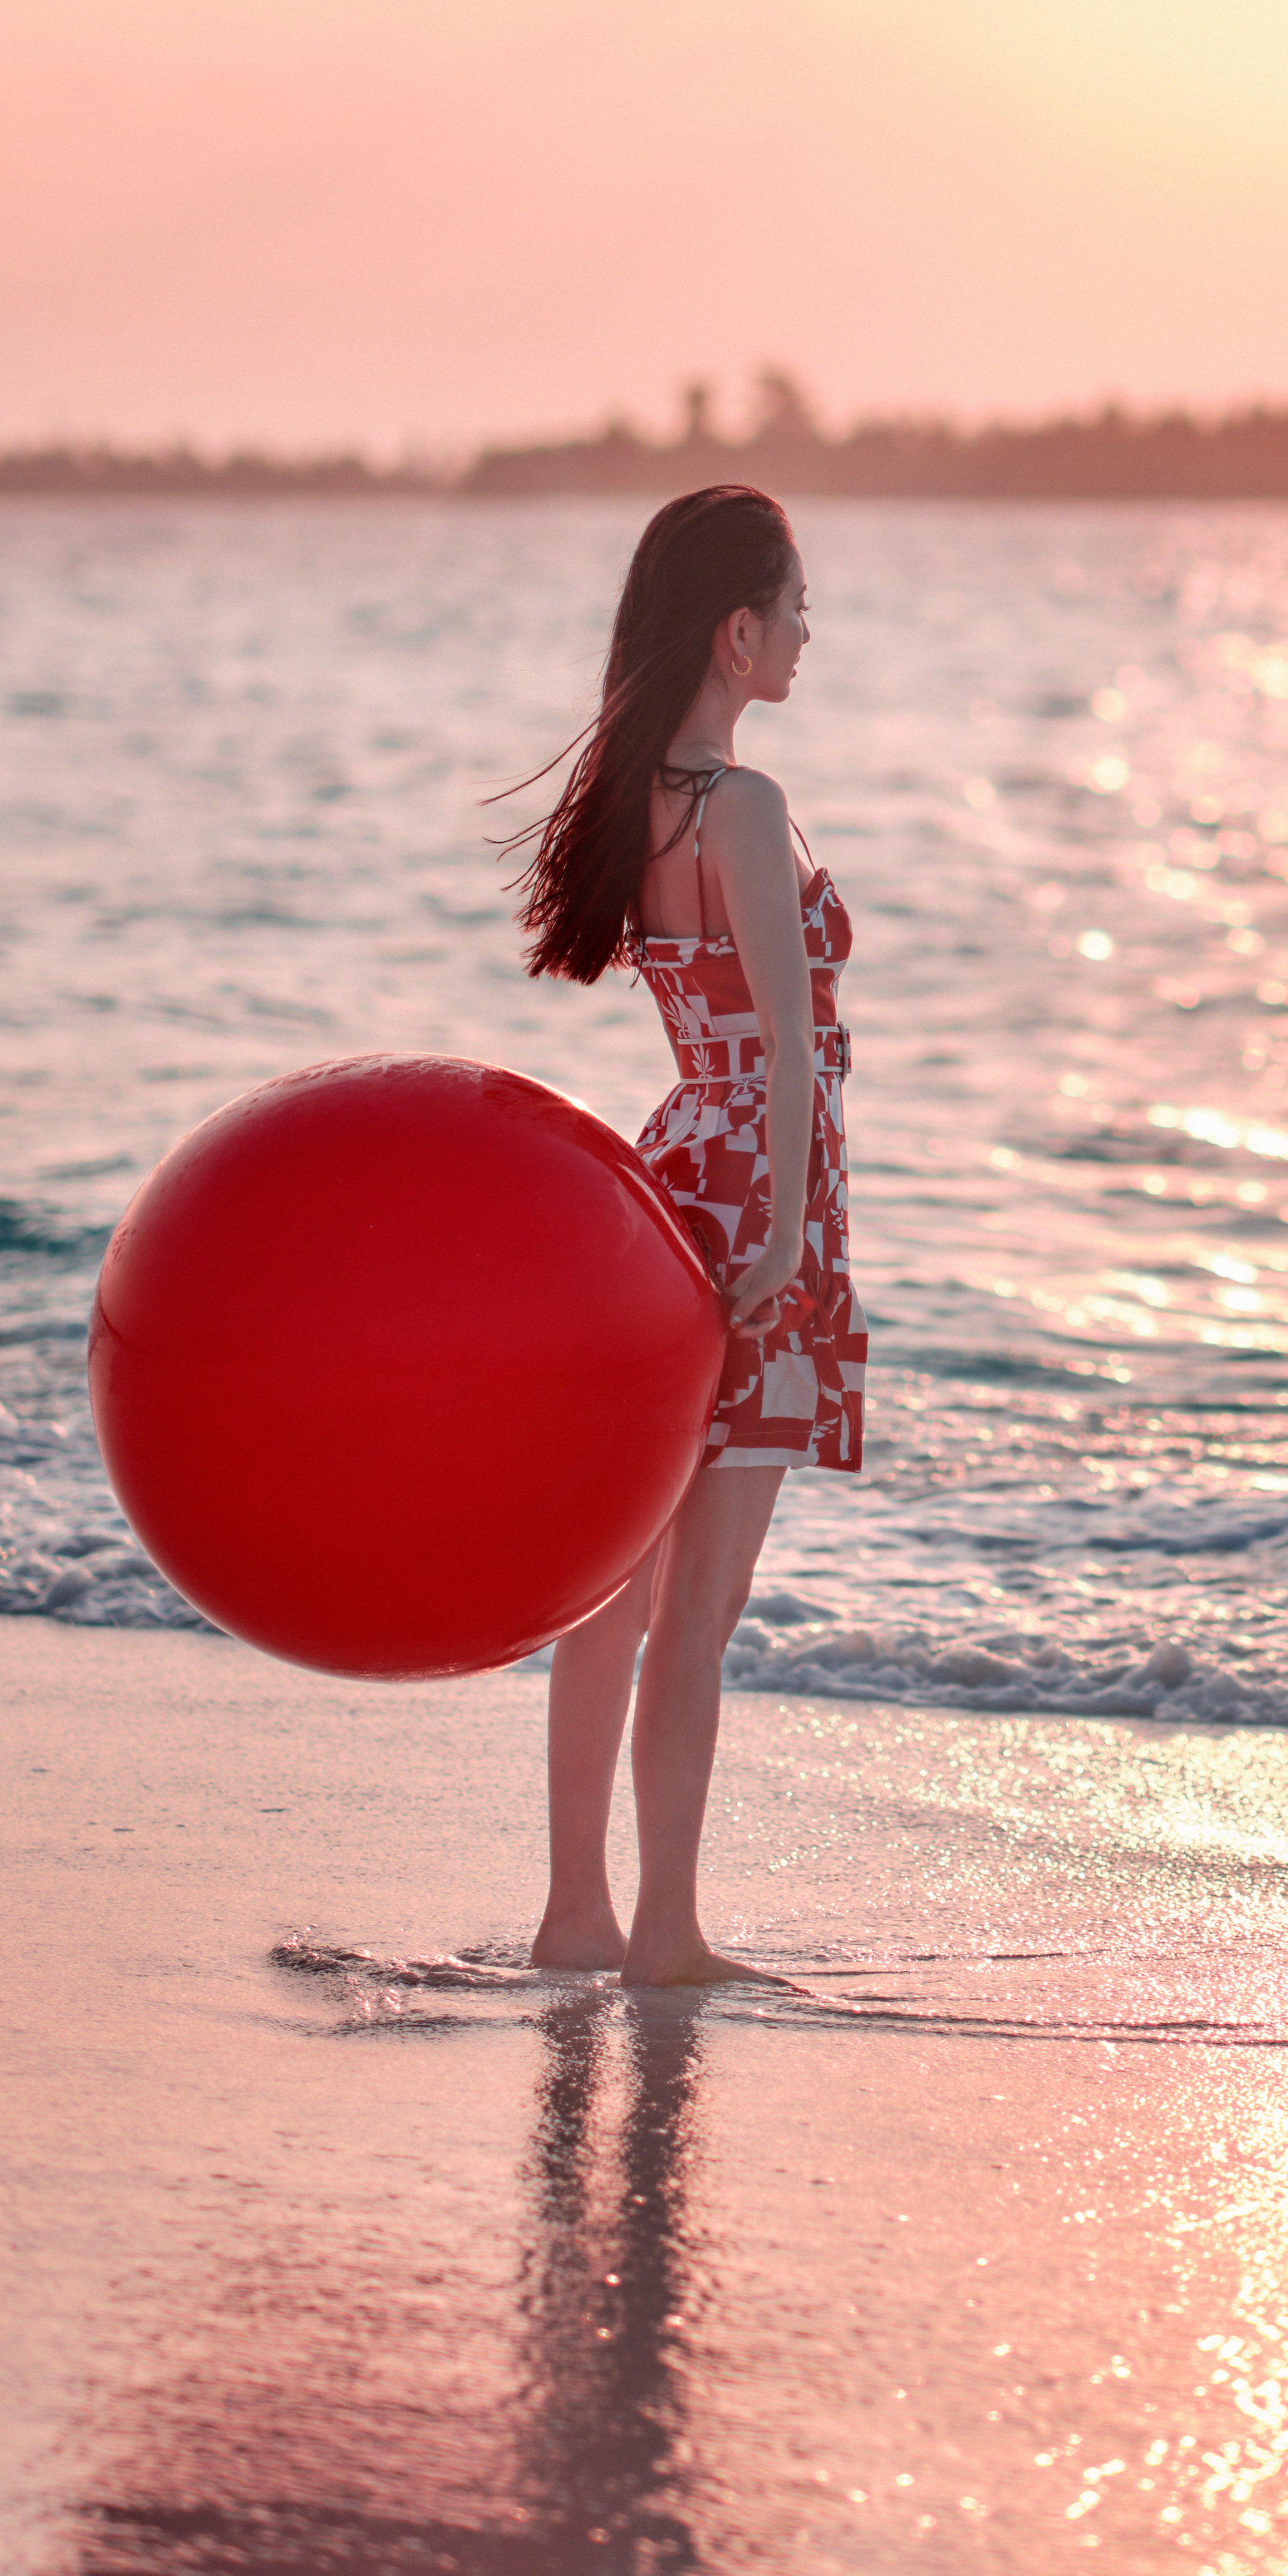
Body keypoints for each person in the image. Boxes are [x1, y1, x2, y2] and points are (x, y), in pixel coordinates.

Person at [516, 485, 863, 1984]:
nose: (806, 632)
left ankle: (573, 1917)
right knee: (697, 1616)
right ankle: (667, 1936)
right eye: (793, 608)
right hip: (758, 1195)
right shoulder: (746, 803)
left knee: (617, 1588)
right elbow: (789, 1050)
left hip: (673, 1175)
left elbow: (715, 1036)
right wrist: (786, 1238)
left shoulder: (635, 799)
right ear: (738, 630)